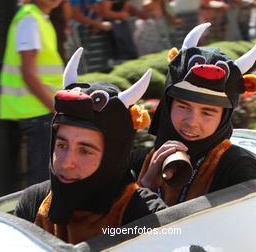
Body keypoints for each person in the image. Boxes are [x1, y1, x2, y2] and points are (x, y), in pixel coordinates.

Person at [14, 47, 167, 244]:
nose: (67, 162)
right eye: (61, 145)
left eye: (84, 150)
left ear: (112, 156)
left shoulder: (144, 214)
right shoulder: (34, 202)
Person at [128, 23, 256, 206]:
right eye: (183, 107)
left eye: (207, 112)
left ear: (224, 118)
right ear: (167, 104)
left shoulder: (236, 168)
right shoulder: (139, 161)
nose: (192, 122)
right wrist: (146, 185)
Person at [0, 0, 65, 185]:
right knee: (42, 183)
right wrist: (56, 109)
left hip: (38, 110)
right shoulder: (30, 19)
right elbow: (29, 74)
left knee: (45, 179)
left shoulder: (38, 18)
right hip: (37, 111)